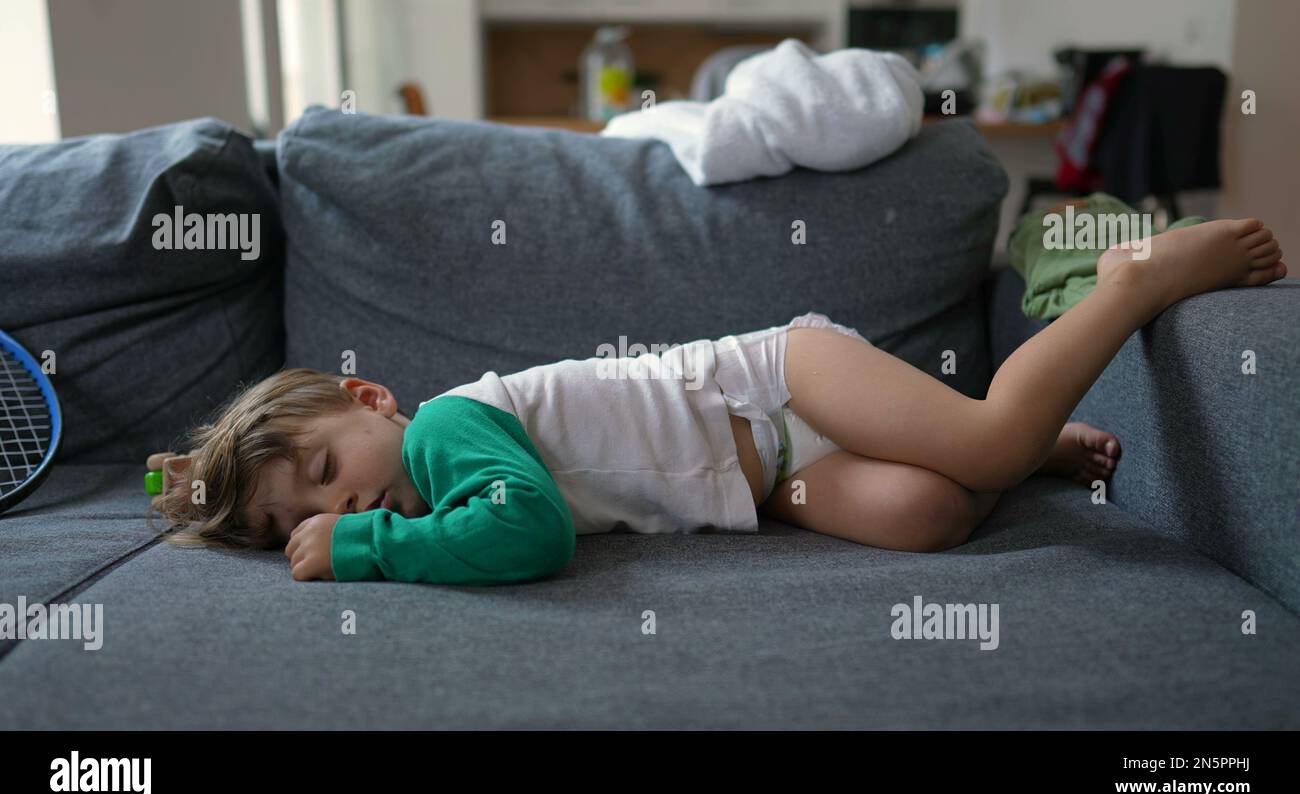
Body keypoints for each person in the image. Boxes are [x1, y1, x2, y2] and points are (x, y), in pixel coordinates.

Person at [150, 217, 1286, 584]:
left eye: (321, 469)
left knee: (981, 441)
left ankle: (1130, 284)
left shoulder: (448, 430)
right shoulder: (425, 487)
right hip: (769, 479)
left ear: (371, 396)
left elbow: (533, 531)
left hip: (772, 377)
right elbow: (198, 485)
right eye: (285, 520)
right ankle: (1023, 458)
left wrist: (361, 548)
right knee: (932, 517)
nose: (337, 498)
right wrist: (193, 486)